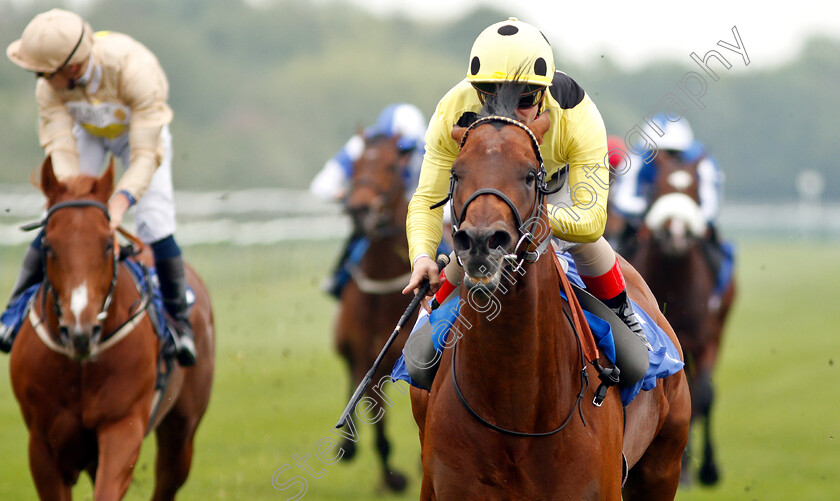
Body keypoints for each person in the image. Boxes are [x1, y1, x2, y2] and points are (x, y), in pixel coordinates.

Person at [403, 18, 647, 340]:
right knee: (421, 354)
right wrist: (421, 256)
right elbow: (427, 200)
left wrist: (529, 218)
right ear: (474, 90)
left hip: (555, 195)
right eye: (488, 95)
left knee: (589, 250)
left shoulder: (577, 111)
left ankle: (624, 318)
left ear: (545, 93)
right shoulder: (452, 109)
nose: (507, 111)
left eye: (526, 99)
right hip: (487, 208)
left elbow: (591, 219)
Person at [1, 8, 196, 366]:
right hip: (89, 135)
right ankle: (13, 313)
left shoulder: (136, 73)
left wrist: (119, 204)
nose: (38, 79)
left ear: (71, 69)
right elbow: (60, 146)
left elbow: (143, 156)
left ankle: (179, 325)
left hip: (141, 139)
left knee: (154, 220)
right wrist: (70, 198)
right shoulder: (51, 88)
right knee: (56, 217)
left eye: (42, 72)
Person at [311, 103, 435, 298]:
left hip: (412, 214)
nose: (404, 157)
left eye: (407, 150)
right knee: (359, 237)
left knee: (438, 242)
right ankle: (339, 277)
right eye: (400, 150)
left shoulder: (426, 150)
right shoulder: (360, 145)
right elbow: (322, 184)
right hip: (373, 218)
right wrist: (343, 195)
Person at [610, 113, 733, 296]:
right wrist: (652, 210)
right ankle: (613, 295)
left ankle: (716, 298)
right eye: (660, 151)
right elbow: (622, 200)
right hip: (643, 223)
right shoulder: (635, 158)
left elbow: (711, 205)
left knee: (724, 253)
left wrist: (691, 218)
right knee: (612, 251)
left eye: (674, 152)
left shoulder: (702, 160)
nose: (667, 158)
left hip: (691, 223)